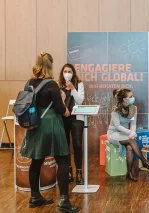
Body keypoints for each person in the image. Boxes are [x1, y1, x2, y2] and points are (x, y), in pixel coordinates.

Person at [20, 52, 79, 212]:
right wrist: (64, 106)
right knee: (63, 159)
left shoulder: (29, 82)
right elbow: (60, 108)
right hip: (51, 124)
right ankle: (64, 201)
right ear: (49, 65)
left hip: (34, 125)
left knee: (36, 160)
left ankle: (35, 197)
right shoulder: (51, 84)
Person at [107, 89, 149, 181]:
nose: (133, 98)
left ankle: (129, 173)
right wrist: (130, 133)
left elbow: (133, 124)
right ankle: (144, 161)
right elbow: (117, 126)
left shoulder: (133, 108)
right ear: (125, 99)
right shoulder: (115, 110)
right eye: (130, 97)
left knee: (130, 147)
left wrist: (132, 133)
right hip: (114, 133)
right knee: (131, 140)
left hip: (125, 134)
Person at [58, 64, 85, 185]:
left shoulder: (79, 84)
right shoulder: (58, 85)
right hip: (62, 119)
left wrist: (72, 88)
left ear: (73, 73)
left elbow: (80, 100)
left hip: (77, 119)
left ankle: (79, 172)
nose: (67, 73)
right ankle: (68, 171)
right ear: (62, 73)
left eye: (69, 71)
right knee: (65, 145)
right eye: (65, 71)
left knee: (77, 145)